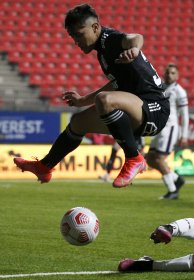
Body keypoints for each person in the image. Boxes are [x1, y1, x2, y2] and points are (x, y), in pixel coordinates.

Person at [13, 4, 169, 188]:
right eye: (72, 37)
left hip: (155, 109)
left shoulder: (109, 39)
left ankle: (134, 158)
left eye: (79, 34)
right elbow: (115, 84)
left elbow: (135, 38)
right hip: (136, 107)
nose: (76, 41)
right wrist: (82, 101)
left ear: (95, 27)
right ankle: (44, 167)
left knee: (104, 100)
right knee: (78, 122)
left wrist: (135, 50)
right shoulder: (102, 52)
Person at [145, 63, 189, 200]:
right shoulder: (160, 87)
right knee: (150, 159)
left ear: (177, 75)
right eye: (168, 72)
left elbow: (185, 114)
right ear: (163, 74)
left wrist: (184, 135)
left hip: (170, 128)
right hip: (159, 128)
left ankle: (172, 190)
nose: (169, 75)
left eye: (173, 73)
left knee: (159, 158)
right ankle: (176, 178)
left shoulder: (179, 91)